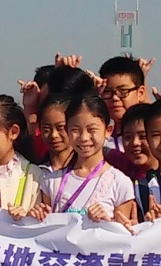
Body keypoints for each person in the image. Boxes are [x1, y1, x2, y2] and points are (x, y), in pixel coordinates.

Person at [40, 93, 136, 225]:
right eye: (75, 130)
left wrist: (108, 222)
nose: (84, 138)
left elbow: (122, 232)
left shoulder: (120, 183)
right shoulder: (51, 181)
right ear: (67, 131)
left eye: (92, 130)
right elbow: (43, 228)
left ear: (108, 130)